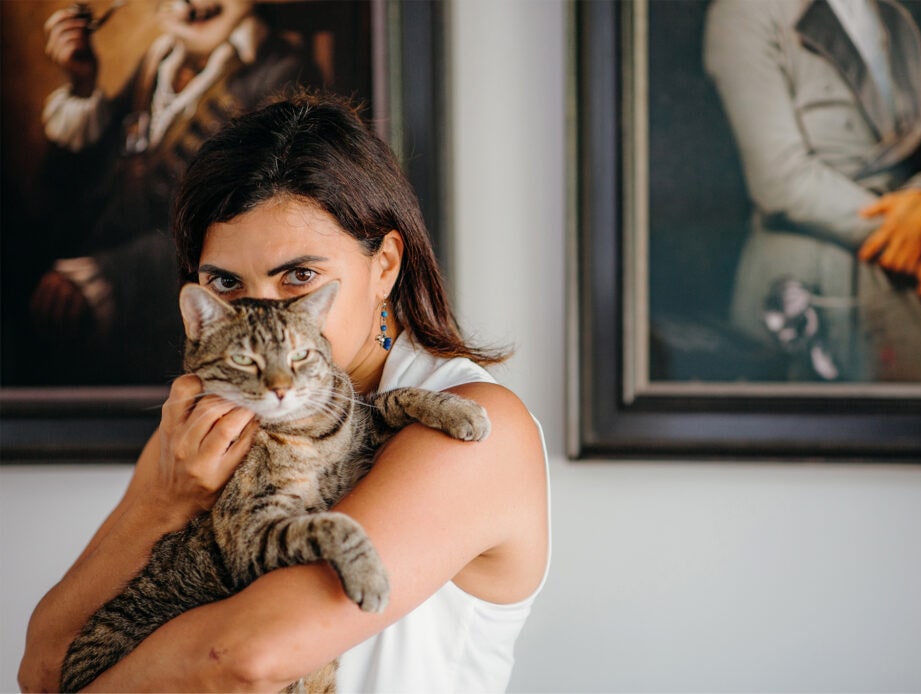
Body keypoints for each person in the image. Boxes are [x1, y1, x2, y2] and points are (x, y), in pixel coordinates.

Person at [18, 93, 550, 692]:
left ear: (386, 265)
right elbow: (40, 671)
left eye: (300, 276)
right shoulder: (212, 420)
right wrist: (164, 500)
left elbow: (246, 660)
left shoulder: (476, 428)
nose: (265, 317)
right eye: (226, 281)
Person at [28, 0, 320, 384]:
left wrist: (112, 274)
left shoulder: (279, 73)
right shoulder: (158, 62)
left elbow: (252, 221)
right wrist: (83, 87)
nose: (193, 3)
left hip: (182, 307)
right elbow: (95, 192)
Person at [703, 0, 921, 382]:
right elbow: (780, 182)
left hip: (898, 273)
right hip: (809, 280)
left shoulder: (893, 15)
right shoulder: (744, 12)